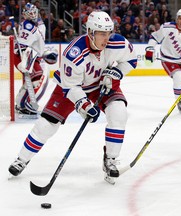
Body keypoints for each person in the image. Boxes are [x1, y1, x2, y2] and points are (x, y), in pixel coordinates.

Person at [8, 11, 137, 183]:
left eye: (108, 33)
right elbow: (71, 87)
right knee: (46, 125)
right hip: (71, 87)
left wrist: (117, 73)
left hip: (101, 84)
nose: (106, 38)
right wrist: (84, 105)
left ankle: (110, 159)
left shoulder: (117, 43)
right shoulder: (74, 53)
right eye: (101, 33)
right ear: (90, 32)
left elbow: (132, 60)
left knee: (119, 113)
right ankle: (21, 159)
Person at [14, 3, 54, 118]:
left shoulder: (36, 23)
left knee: (36, 79)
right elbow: (24, 47)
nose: (33, 15)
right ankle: (22, 105)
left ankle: (21, 103)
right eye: (30, 13)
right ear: (25, 15)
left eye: (33, 12)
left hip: (32, 56)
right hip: (24, 56)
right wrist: (24, 61)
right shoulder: (28, 26)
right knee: (36, 78)